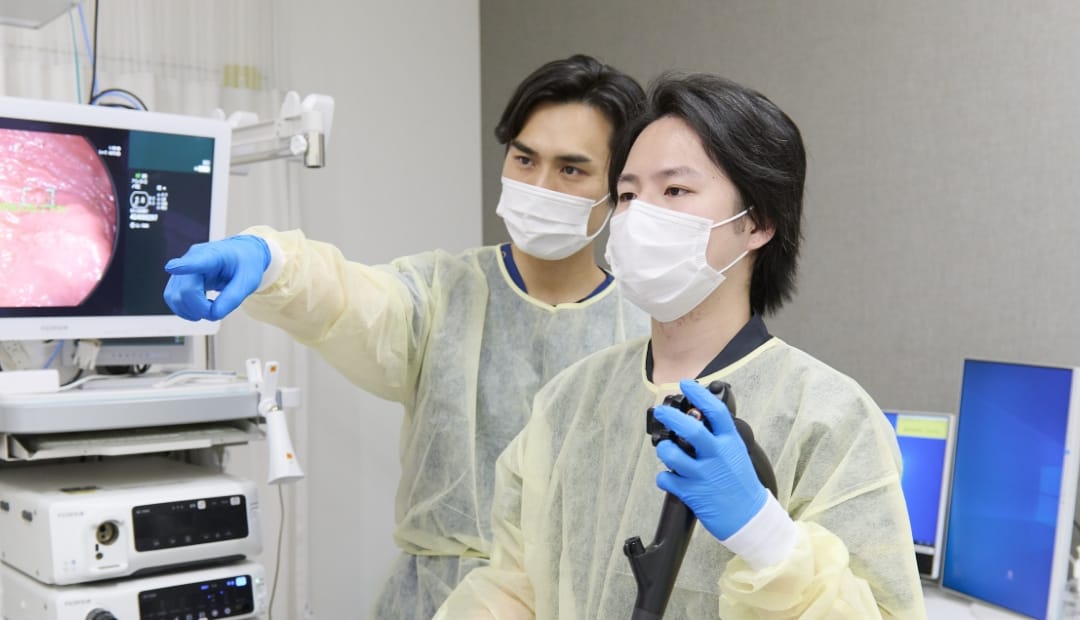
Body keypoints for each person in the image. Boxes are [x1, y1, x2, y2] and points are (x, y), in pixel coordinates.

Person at [162, 55, 651, 619]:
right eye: (524, 159)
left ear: (618, 189)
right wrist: (272, 260)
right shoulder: (443, 294)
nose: (539, 185)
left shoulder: (645, 330)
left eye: (570, 170)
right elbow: (348, 299)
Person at [436, 73, 926, 619]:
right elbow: (511, 588)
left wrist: (764, 535)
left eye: (674, 191)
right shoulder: (567, 404)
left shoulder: (828, 418)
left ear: (758, 221)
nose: (638, 216)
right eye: (627, 195)